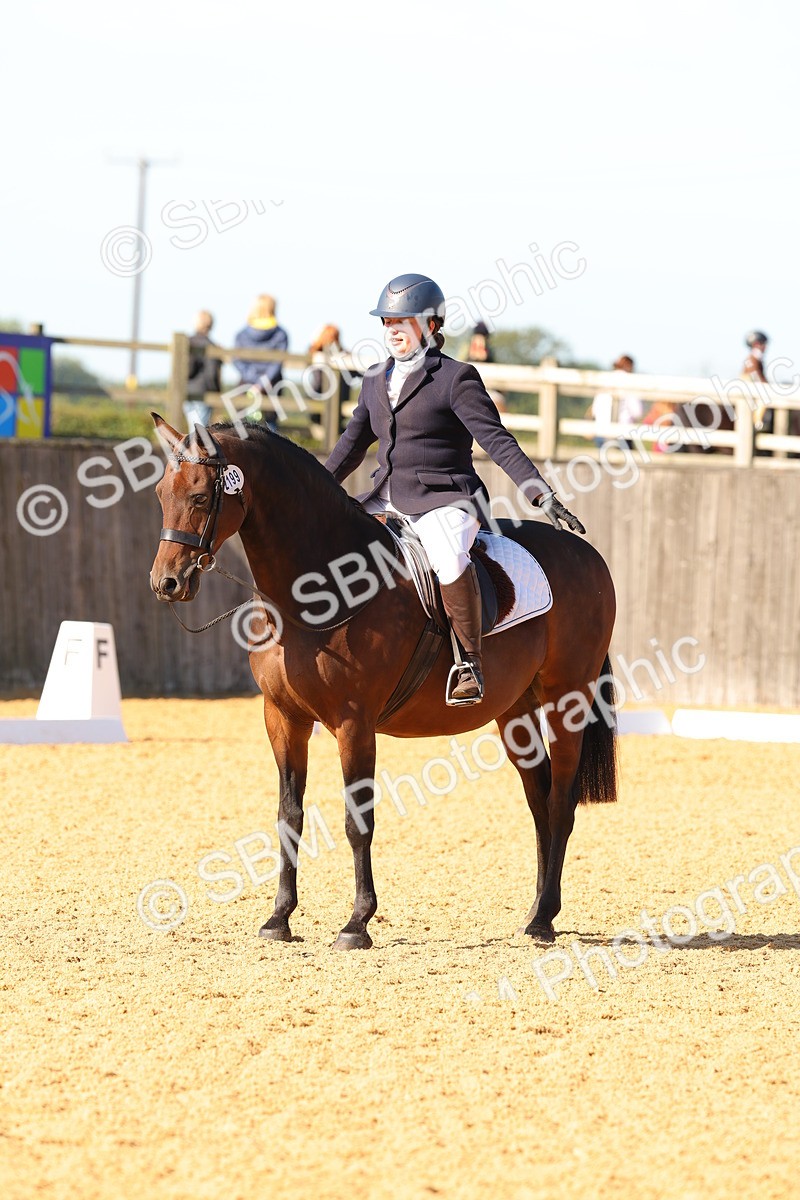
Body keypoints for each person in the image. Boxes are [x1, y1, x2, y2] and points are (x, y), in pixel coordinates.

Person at [325, 272, 585, 706]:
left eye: (402, 322)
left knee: (448, 556)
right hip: (384, 497)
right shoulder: (373, 380)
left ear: (430, 325)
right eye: (387, 322)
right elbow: (352, 444)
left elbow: (496, 439)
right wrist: (320, 489)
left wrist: (541, 494)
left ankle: (469, 663)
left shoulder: (455, 378)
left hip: (444, 500)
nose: (393, 331)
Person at [233, 294, 289, 395]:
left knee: (241, 409)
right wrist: (262, 382)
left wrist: (251, 377)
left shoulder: (241, 334)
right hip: (272, 385)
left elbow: (237, 359)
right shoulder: (281, 335)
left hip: (246, 384)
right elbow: (277, 362)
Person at [187, 310, 222, 398]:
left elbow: (187, 370)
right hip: (204, 393)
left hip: (185, 391)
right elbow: (212, 374)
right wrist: (216, 392)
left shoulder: (188, 342)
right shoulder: (212, 346)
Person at [742, 330, 771, 432]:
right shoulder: (753, 358)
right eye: (763, 344)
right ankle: (757, 422)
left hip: (753, 385)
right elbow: (755, 375)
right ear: (757, 344)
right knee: (763, 401)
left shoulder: (755, 358)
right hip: (752, 387)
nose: (765, 347)